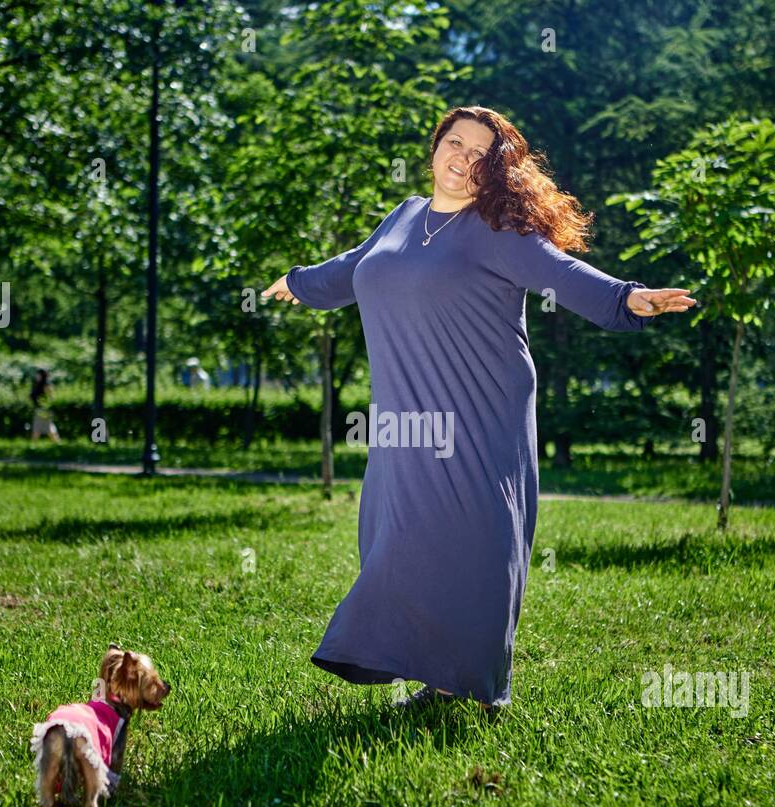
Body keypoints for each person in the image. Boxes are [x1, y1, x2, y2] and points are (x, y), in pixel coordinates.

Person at [261, 106, 695, 713]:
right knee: (397, 535)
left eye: (480, 154)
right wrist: (300, 282)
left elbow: (560, 271)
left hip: (481, 405)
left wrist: (627, 299)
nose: (462, 159)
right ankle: (426, 668)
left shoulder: (498, 230)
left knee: (473, 537)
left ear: (495, 170)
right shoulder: (405, 216)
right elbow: (356, 267)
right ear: (436, 145)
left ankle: (470, 688)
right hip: (408, 413)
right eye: (455, 143)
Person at [29, 368, 60, 442]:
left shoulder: (46, 384)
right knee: (48, 427)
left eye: (38, 374)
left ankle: (33, 444)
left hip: (44, 409)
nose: (36, 376)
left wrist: (46, 406)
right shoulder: (37, 384)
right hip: (39, 408)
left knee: (39, 426)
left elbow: (50, 397)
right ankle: (57, 442)